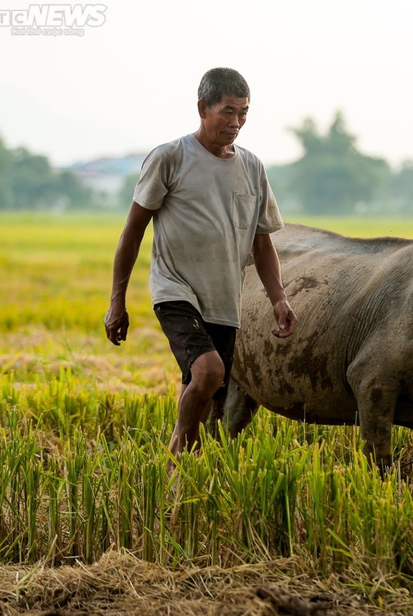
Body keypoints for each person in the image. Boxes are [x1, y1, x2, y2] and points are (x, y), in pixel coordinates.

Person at [104, 67, 296, 466]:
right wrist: (116, 301)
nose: (236, 123)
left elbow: (262, 243)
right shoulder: (170, 158)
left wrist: (279, 298)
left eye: (243, 113)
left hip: (226, 301)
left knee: (203, 390)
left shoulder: (253, 168)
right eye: (228, 112)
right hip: (175, 290)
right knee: (209, 372)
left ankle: (175, 467)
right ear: (202, 108)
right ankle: (184, 457)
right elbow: (132, 232)